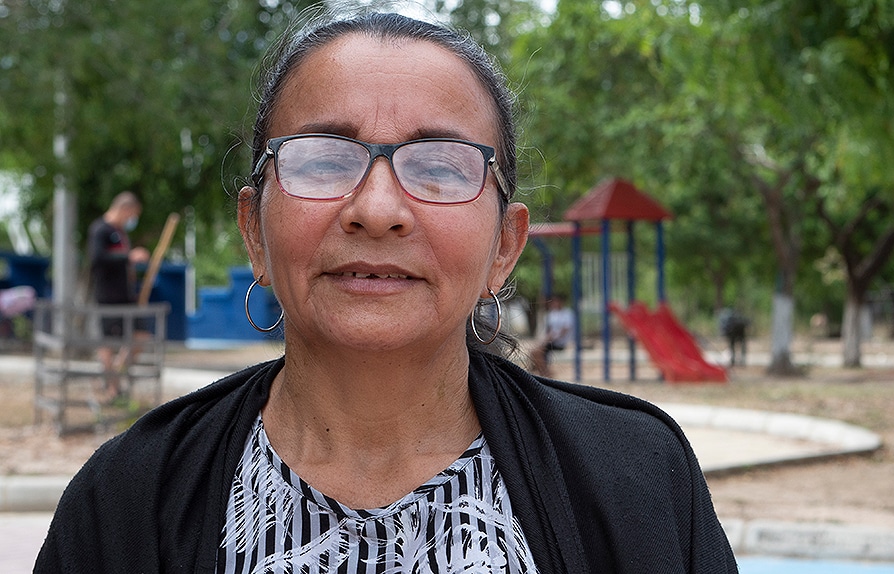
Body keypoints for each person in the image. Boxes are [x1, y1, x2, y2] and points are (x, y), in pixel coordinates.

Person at [37, 11, 738, 573]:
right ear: (254, 232)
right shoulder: (127, 498)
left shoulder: (636, 479)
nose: (377, 210)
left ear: (504, 246)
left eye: (439, 166)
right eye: (322, 158)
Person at [86, 191, 150, 400]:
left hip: (126, 297)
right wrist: (128, 257)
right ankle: (112, 389)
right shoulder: (100, 230)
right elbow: (98, 259)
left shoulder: (120, 232)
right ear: (124, 209)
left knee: (140, 336)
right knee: (108, 343)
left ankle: (114, 374)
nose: (132, 220)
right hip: (108, 297)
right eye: (132, 215)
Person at [529, 294, 574, 376]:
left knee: (537, 352)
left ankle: (545, 372)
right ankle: (543, 371)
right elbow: (549, 330)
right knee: (535, 351)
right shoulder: (552, 314)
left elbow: (565, 330)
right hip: (551, 340)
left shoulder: (567, 313)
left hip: (559, 342)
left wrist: (553, 337)